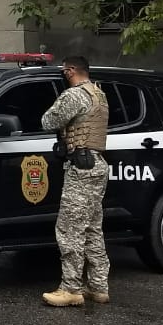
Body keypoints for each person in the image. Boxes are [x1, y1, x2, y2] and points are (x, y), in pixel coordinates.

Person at [39, 55, 110, 307]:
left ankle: (70, 289)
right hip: (97, 165)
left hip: (81, 167)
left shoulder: (74, 95)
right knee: (92, 228)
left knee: (70, 229)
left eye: (63, 71)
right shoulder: (99, 94)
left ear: (70, 71)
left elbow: (48, 121)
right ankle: (98, 287)